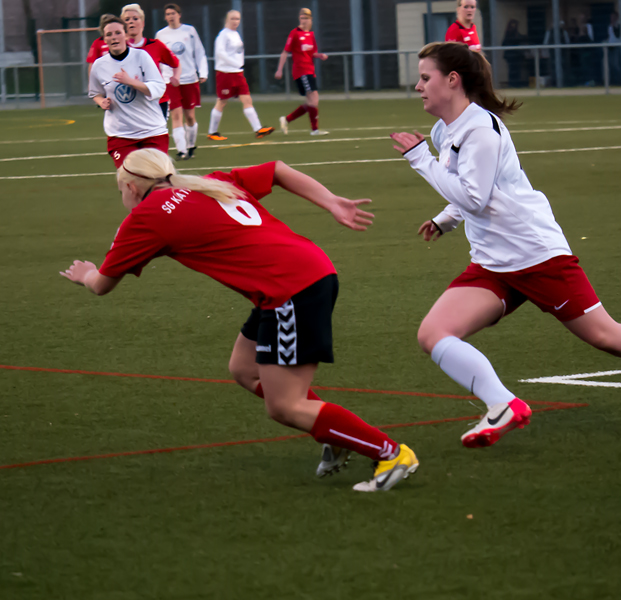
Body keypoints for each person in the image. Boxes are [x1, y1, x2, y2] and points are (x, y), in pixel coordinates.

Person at [390, 42, 621, 448]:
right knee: (434, 333)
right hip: (494, 262)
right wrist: (445, 219)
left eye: (425, 77)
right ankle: (503, 404)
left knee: (605, 335)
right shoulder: (444, 129)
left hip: (536, 254)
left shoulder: (480, 129)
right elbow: (482, 190)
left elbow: (476, 196)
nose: (418, 86)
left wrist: (420, 160)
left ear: (452, 80)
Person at [58, 148, 420, 492]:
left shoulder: (146, 217)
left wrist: (85, 274)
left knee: (284, 406)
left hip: (290, 288)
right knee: (245, 368)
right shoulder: (207, 181)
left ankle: (390, 453)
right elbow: (276, 169)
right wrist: (330, 201)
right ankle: (334, 434)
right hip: (300, 274)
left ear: (132, 187)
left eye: (121, 188)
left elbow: (102, 284)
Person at [88, 15, 168, 168]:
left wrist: (131, 82)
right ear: (104, 40)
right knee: (130, 182)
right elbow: (94, 93)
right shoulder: (99, 65)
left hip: (152, 130)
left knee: (157, 180)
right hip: (120, 134)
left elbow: (159, 88)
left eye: (118, 32)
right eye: (109, 34)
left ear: (125, 35)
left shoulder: (141, 56)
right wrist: (101, 101)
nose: (114, 37)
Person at [207, 10, 274, 141]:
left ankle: (258, 129)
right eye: (233, 19)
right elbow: (220, 53)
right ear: (227, 19)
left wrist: (239, 65)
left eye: (237, 19)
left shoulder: (236, 34)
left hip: (238, 73)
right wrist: (234, 63)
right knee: (221, 102)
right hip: (225, 73)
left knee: (247, 100)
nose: (235, 21)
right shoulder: (223, 35)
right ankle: (212, 132)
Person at [156, 3, 208, 160]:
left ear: (179, 15)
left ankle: (191, 145)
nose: (171, 16)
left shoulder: (190, 31)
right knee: (176, 115)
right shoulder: (161, 35)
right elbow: (157, 58)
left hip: (189, 79)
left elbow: (199, 52)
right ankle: (182, 150)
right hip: (170, 81)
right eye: (168, 14)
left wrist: (203, 72)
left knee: (190, 117)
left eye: (173, 13)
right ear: (165, 17)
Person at [121, 4, 181, 120]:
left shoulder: (156, 45)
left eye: (135, 18)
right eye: (127, 19)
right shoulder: (120, 50)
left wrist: (176, 76)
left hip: (157, 102)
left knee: (157, 137)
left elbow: (176, 63)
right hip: (131, 104)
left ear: (142, 23)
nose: (131, 22)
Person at [275, 8, 329, 136]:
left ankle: (287, 119)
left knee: (312, 102)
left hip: (310, 70)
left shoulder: (311, 35)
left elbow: (312, 53)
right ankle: (314, 130)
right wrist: (279, 69)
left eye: (306, 18)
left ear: (311, 19)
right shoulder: (294, 33)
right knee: (313, 99)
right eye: (302, 18)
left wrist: (320, 55)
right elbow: (285, 52)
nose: (304, 21)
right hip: (301, 71)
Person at [501, 19, 525, 88]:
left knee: (517, 69)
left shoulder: (516, 34)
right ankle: (512, 84)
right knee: (512, 69)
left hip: (517, 55)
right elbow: (504, 43)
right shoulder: (508, 34)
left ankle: (516, 83)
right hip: (511, 55)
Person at [607, 11, 621, 85]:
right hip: (610, 47)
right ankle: (612, 81)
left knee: (616, 65)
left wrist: (614, 26)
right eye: (611, 17)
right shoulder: (610, 26)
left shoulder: (618, 25)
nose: (612, 19)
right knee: (611, 65)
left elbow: (617, 35)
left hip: (616, 47)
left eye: (613, 17)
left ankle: (619, 81)